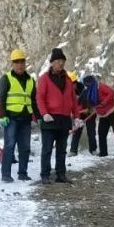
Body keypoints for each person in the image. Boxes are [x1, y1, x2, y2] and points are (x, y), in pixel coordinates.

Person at [35, 47, 79, 184]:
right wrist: (44, 113)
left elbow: (73, 100)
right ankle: (45, 175)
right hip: (50, 118)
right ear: (52, 63)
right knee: (47, 148)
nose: (61, 63)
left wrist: (76, 116)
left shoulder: (68, 80)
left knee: (61, 149)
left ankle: (61, 174)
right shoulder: (44, 79)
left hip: (64, 119)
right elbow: (40, 97)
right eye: (58, 61)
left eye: (63, 61)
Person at [0, 48, 37, 183]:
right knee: (9, 146)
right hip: (11, 118)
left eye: (22, 62)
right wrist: (3, 115)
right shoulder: (6, 78)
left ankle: (23, 173)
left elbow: (33, 100)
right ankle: (6, 174)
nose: (20, 64)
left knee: (25, 147)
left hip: (25, 119)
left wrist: (38, 117)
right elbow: (1, 98)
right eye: (16, 62)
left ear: (25, 63)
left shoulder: (31, 80)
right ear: (12, 64)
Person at [87, 75, 114, 157]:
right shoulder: (90, 92)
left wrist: (104, 102)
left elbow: (112, 93)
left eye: (88, 84)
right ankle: (103, 153)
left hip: (112, 111)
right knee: (101, 133)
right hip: (103, 115)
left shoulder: (101, 87)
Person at [69, 71, 97, 157]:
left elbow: (91, 100)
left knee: (91, 131)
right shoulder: (69, 91)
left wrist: (89, 109)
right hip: (80, 113)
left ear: (75, 83)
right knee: (77, 130)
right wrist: (77, 113)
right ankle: (73, 150)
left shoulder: (84, 89)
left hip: (90, 112)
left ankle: (93, 150)